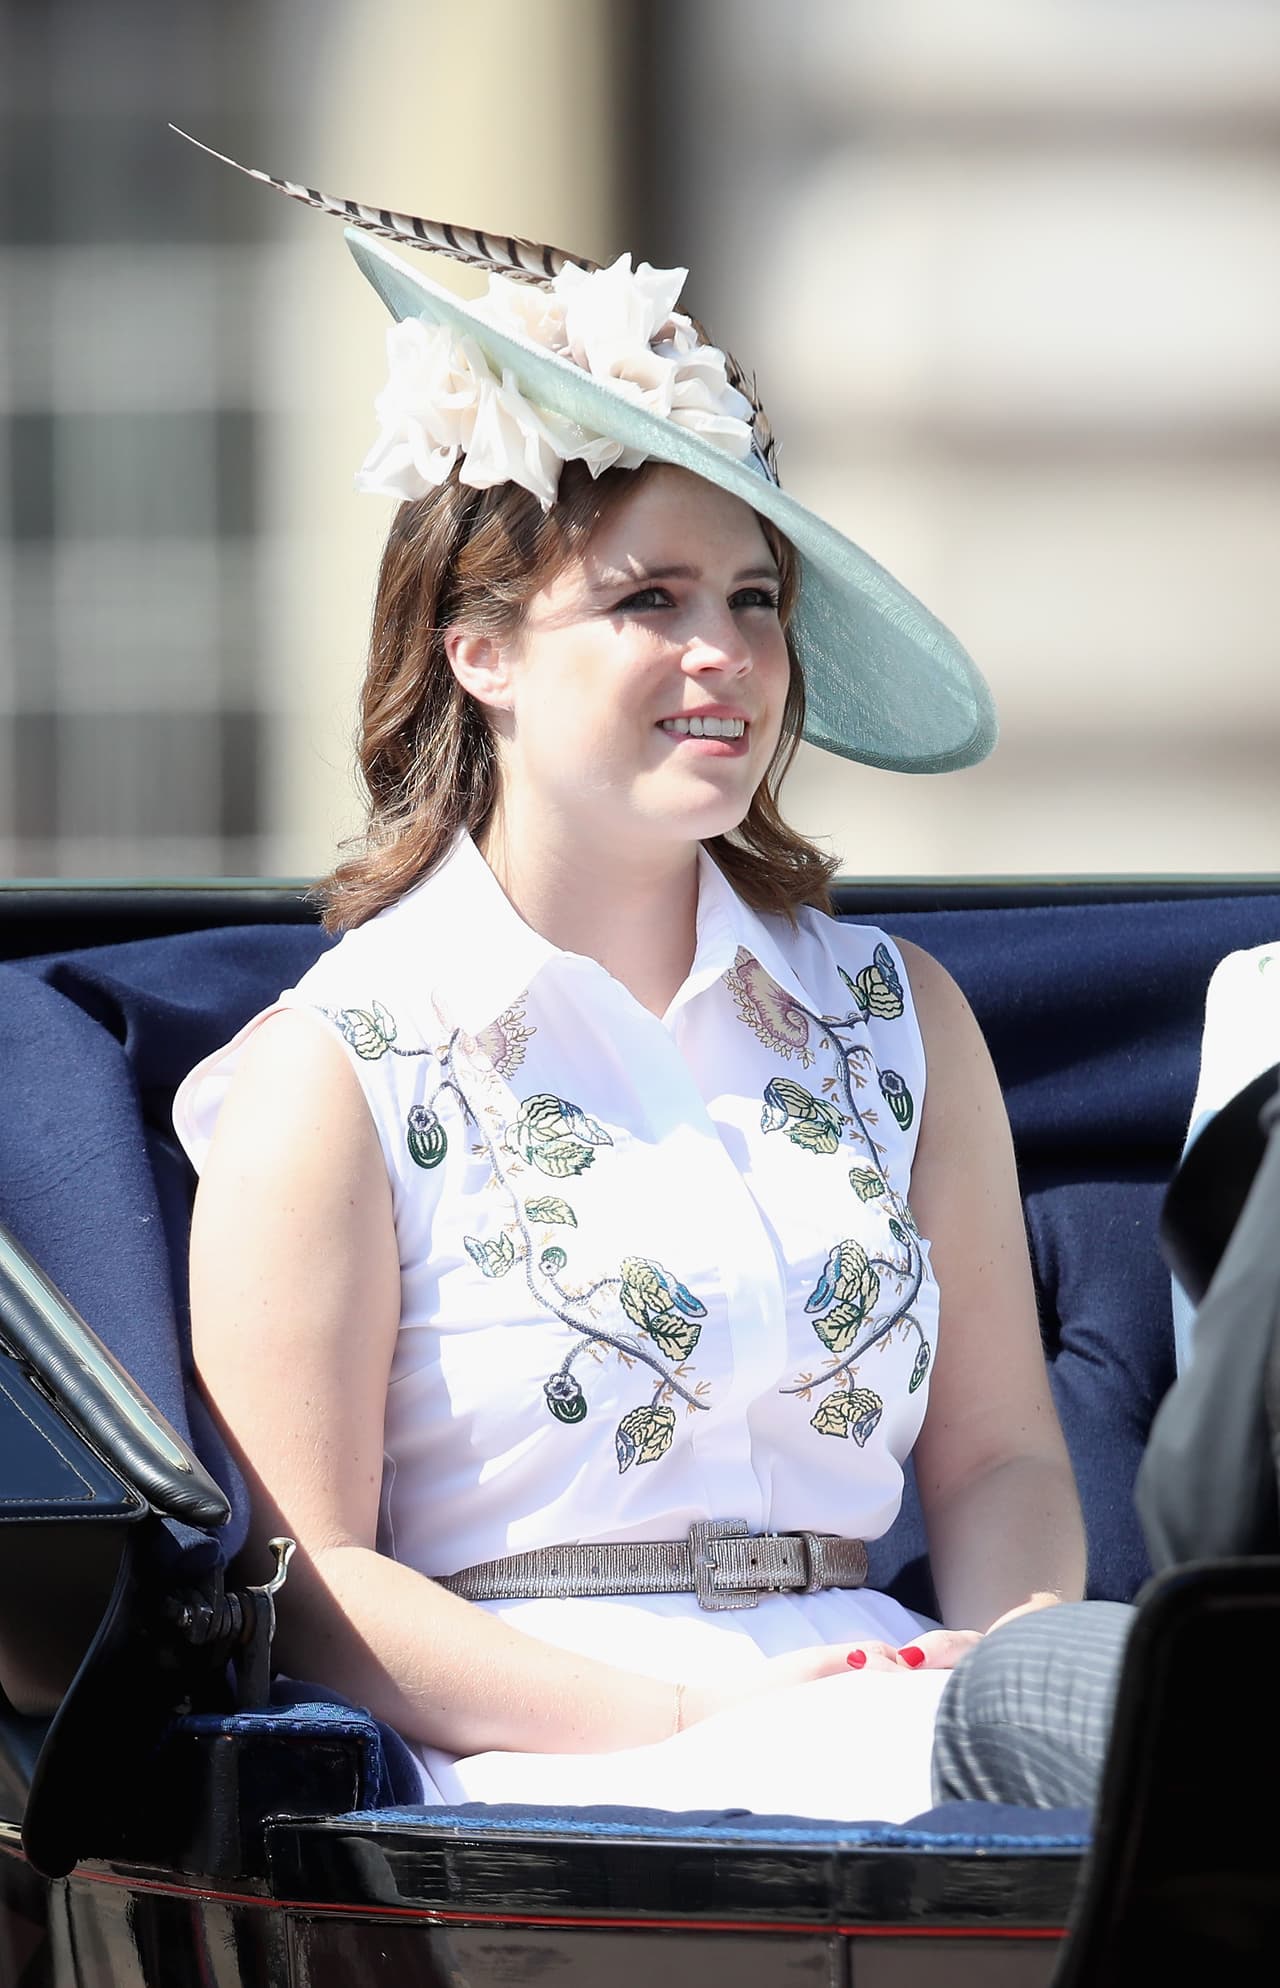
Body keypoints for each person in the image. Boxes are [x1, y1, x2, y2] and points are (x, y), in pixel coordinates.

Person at [172, 140, 1087, 1823]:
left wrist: (1015, 1671)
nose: (723, 655)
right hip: (552, 1778)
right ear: (484, 652)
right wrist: (687, 1719)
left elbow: (1005, 1460)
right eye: (647, 601)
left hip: (894, 1731)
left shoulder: (896, 1020)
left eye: (752, 600)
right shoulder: (341, 1065)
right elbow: (311, 1585)